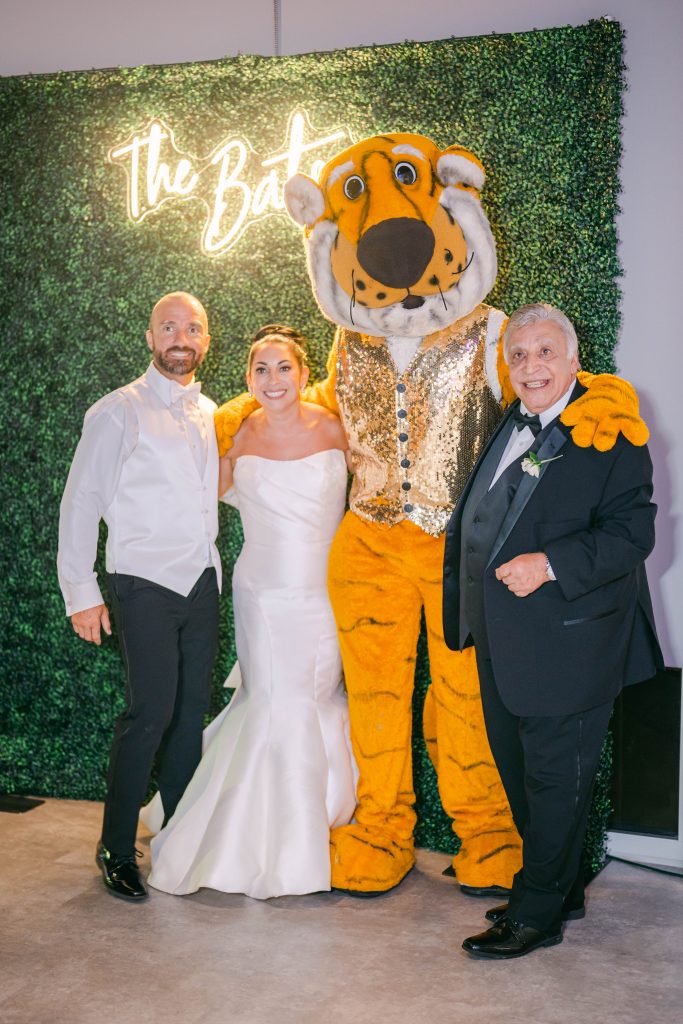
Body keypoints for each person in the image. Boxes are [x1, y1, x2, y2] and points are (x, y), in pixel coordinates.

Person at [442, 303, 663, 959]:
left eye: (543, 352)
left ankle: (536, 914)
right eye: (517, 355)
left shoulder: (609, 429)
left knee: (553, 781)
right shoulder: (509, 421)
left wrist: (550, 563)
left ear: (571, 359)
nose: (529, 365)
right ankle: (557, 887)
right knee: (518, 772)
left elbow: (634, 534)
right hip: (501, 641)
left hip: (572, 641)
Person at [146, 324, 358, 899]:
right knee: (269, 698)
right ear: (247, 380)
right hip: (262, 590)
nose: (273, 380)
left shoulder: (340, 430)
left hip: (325, 591)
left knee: (316, 695)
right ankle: (247, 837)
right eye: (260, 370)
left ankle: (328, 819)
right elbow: (193, 500)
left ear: (304, 374)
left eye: (282, 368)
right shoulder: (234, 441)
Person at [57, 291, 221, 902]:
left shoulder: (208, 411)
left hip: (201, 584)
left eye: (193, 327)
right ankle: (116, 847)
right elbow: (81, 504)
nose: (181, 336)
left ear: (205, 340)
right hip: (142, 583)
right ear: (151, 338)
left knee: (187, 718)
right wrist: (81, 592)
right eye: (169, 326)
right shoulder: (116, 411)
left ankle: (177, 837)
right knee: (148, 714)